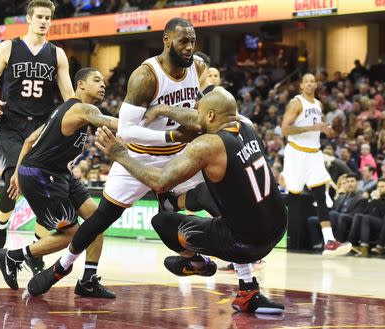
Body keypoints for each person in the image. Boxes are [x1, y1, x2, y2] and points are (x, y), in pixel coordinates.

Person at [25, 17, 223, 294]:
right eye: (184, 41)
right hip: (138, 156)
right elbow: (128, 132)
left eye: (193, 41)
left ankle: (244, 282)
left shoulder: (198, 67)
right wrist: (170, 135)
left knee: (215, 203)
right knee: (101, 218)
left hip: (177, 155)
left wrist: (178, 120)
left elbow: (196, 112)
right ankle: (61, 266)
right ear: (166, 40)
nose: (190, 47)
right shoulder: (145, 77)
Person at [96, 87, 286, 313]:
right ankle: (248, 290)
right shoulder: (246, 125)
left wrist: (119, 154)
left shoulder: (208, 145)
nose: (195, 114)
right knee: (209, 194)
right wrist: (163, 109)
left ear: (211, 116)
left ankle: (197, 263)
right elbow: (199, 119)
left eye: (199, 111)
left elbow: (159, 181)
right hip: (277, 226)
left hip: (245, 243)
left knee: (163, 223)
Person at [0, 68, 117, 298]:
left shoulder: (61, 109)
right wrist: (153, 127)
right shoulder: (81, 108)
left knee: (97, 220)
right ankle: (13, 256)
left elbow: (30, 140)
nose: (103, 85)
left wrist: (17, 172)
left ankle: (88, 280)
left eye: (103, 82)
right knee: (73, 234)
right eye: (97, 80)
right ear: (80, 84)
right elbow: (111, 123)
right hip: (42, 175)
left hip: (58, 173)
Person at [0, 0, 75, 272]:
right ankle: (0, 232)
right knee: (14, 177)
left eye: (48, 17)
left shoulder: (57, 54)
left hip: (42, 128)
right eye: (40, 17)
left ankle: (35, 250)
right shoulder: (8, 47)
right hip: (11, 124)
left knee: (45, 189)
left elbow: (69, 97)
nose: (44, 21)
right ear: (29, 19)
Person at [281, 73, 352, 256]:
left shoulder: (318, 104)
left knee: (320, 194)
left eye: (314, 81)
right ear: (301, 86)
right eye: (307, 81)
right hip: (296, 152)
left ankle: (329, 241)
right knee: (294, 196)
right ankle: (278, 235)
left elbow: (322, 130)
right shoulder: (296, 103)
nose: (311, 84)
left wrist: (331, 130)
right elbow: (285, 129)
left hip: (314, 153)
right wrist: (311, 128)